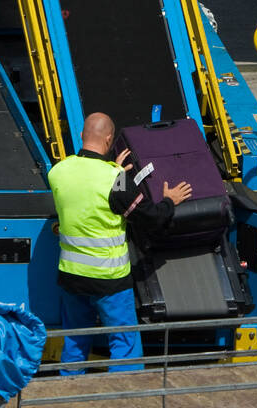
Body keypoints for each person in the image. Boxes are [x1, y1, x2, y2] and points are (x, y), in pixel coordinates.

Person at [48, 112, 191, 376]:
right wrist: (170, 200)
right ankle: (122, 401)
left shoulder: (58, 172)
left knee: (75, 343)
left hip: (71, 277)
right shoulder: (115, 180)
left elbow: (86, 186)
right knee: (124, 345)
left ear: (81, 136)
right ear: (110, 139)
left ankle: (68, 396)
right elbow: (151, 218)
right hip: (109, 280)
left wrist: (112, 168)